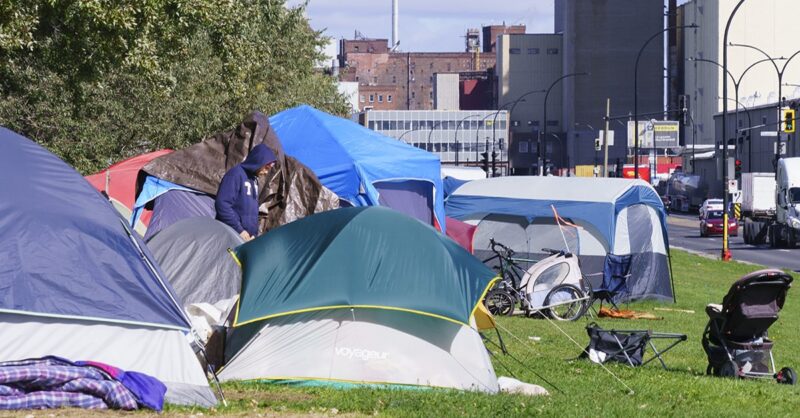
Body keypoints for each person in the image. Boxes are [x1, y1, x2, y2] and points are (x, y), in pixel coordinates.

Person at [215, 144, 277, 241]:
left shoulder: (254, 180)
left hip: (246, 239)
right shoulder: (235, 174)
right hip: (230, 235)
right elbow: (222, 204)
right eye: (266, 168)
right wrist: (239, 230)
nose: (266, 172)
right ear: (258, 161)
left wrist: (254, 235)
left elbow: (251, 212)